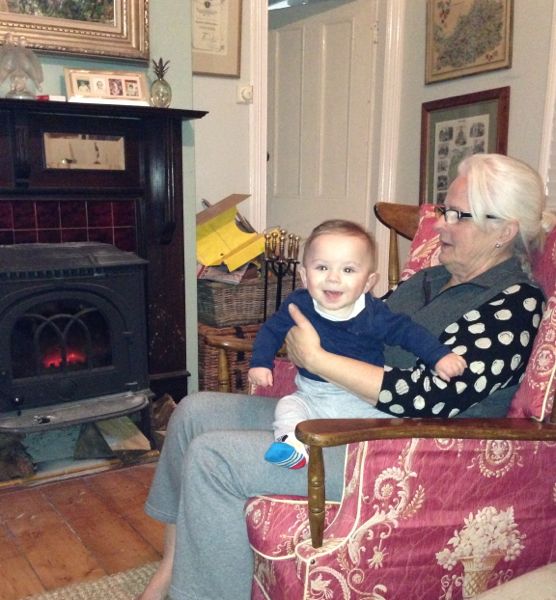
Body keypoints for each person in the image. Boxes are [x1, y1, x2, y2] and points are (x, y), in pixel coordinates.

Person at [138, 154, 554, 600]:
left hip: (402, 449)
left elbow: (432, 396)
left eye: (458, 215)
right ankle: (170, 571)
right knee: (194, 412)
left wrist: (319, 361)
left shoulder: (515, 304)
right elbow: (362, 326)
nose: (440, 224)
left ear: (504, 230)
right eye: (443, 210)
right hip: (342, 410)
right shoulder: (431, 278)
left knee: (214, 457)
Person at [248, 220, 466, 469]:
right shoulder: (298, 304)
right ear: (305, 276)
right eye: (322, 267)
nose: (333, 278)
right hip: (312, 397)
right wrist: (260, 363)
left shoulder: (374, 313)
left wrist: (439, 356)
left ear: (368, 282)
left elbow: (408, 333)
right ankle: (293, 446)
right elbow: (271, 331)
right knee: (288, 406)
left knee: (393, 424)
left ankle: (384, 460)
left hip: (361, 399)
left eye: (348, 270)